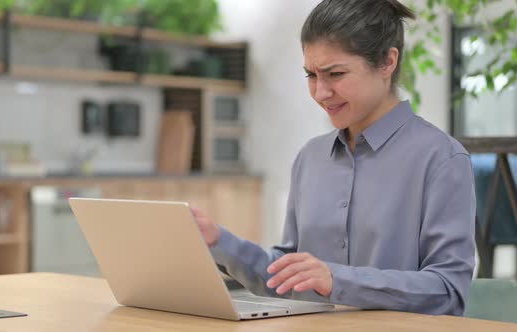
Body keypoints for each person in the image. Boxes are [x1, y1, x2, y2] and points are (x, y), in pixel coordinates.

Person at [192, 0, 475, 316]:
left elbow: (447, 291)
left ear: (387, 62)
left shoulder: (442, 159)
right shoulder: (310, 158)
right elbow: (287, 277)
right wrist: (219, 241)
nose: (320, 92)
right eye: (311, 75)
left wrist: (335, 279)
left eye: (335, 73)